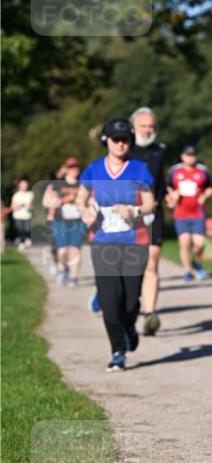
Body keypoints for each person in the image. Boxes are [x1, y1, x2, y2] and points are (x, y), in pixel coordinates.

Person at [76, 118, 154, 372]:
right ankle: (118, 351)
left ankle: (130, 324)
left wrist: (133, 210)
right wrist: (85, 213)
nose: (120, 144)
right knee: (110, 302)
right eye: (115, 140)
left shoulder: (139, 169)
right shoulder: (94, 169)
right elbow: (80, 200)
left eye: (125, 140)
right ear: (106, 141)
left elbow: (150, 204)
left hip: (134, 243)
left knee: (130, 303)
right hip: (103, 244)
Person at [130, 107, 168, 334]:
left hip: (154, 212)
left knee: (152, 261)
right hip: (127, 214)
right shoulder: (123, 149)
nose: (147, 130)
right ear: (133, 127)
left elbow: (161, 179)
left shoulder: (160, 150)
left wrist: (169, 193)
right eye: (143, 126)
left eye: (151, 126)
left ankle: (149, 314)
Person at [167, 146, 212, 282]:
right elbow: (168, 187)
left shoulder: (202, 170)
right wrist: (172, 195)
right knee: (185, 243)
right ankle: (187, 270)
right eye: (187, 155)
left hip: (198, 212)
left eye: (192, 155)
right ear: (182, 156)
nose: (190, 158)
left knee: (200, 244)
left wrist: (205, 196)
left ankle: (197, 261)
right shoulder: (175, 171)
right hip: (180, 213)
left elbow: (210, 188)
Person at [42, 158, 87, 286]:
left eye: (76, 167)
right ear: (66, 169)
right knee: (62, 251)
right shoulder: (57, 185)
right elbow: (46, 202)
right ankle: (62, 270)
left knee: (75, 250)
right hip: (60, 221)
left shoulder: (82, 184)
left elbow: (89, 201)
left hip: (77, 221)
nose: (74, 170)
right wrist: (62, 200)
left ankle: (74, 277)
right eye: (71, 167)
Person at [11, 177, 34, 251]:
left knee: (27, 229)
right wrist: (18, 206)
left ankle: (27, 238)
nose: (24, 186)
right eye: (22, 185)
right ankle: (21, 243)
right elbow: (12, 206)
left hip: (27, 215)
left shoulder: (30, 194)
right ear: (19, 186)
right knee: (21, 230)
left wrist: (30, 206)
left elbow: (34, 205)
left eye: (25, 185)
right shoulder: (16, 195)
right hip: (18, 216)